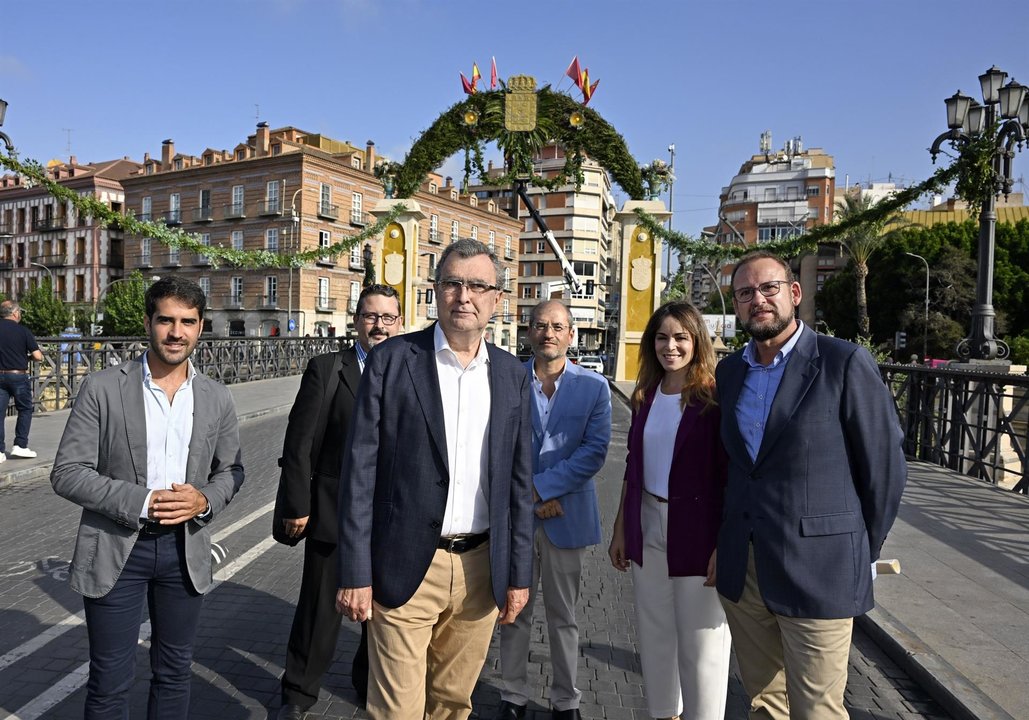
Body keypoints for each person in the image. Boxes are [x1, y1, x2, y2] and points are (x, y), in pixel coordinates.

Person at [336, 238, 534, 720]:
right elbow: (359, 473)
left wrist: (519, 574)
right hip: (404, 564)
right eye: (452, 283)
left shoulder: (512, 375)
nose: (463, 296)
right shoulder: (392, 361)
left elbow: (519, 482)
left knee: (452, 705)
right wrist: (355, 572)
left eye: (477, 286)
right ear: (435, 291)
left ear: (496, 299)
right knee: (396, 711)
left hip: (481, 571)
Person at [716, 250, 907, 720]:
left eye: (768, 288)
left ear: (794, 293)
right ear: (737, 306)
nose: (757, 300)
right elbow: (736, 469)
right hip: (747, 570)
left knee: (817, 709)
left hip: (819, 570)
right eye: (745, 293)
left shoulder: (843, 363)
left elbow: (884, 469)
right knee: (764, 702)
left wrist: (859, 547)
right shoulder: (730, 372)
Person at [50, 277, 245, 719]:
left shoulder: (216, 396)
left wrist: (204, 500)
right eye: (166, 320)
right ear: (148, 323)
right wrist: (143, 501)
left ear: (200, 327)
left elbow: (231, 471)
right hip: (118, 547)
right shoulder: (103, 387)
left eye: (188, 322)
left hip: (185, 551)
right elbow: (66, 473)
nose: (177, 332)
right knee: (110, 680)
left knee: (175, 672)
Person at [275, 284, 403, 720]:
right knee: (319, 612)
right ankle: (297, 694)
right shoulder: (328, 368)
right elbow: (299, 442)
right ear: (356, 321)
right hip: (332, 512)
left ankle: (367, 682)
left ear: (400, 322)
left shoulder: (412, 372)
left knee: (382, 615)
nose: (379, 325)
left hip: (390, 519)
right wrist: (297, 503)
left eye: (388, 317)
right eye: (371, 316)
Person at [608, 300, 731, 720]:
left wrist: (723, 545)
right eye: (662, 337)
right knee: (655, 633)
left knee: (702, 644)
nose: (671, 346)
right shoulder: (646, 394)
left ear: (697, 340)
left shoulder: (714, 398)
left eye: (680, 337)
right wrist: (621, 528)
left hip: (698, 531)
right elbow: (633, 463)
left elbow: (730, 474)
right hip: (647, 522)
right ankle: (664, 714)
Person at [496, 300, 612, 720]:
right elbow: (497, 444)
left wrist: (541, 490)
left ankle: (567, 700)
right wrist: (527, 496)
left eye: (558, 326)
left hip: (567, 515)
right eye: (541, 325)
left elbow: (594, 451)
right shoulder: (507, 382)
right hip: (518, 518)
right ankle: (512, 695)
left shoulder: (594, 387)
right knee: (515, 610)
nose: (549, 333)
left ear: (571, 335)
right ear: (529, 332)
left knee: (564, 617)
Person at [0, 300, 44, 461]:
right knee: (25, 409)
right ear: (15, 313)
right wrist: (25, 356)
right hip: (18, 375)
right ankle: (20, 445)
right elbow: (38, 356)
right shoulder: (23, 331)